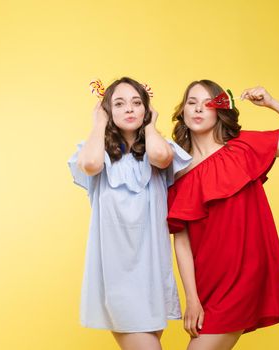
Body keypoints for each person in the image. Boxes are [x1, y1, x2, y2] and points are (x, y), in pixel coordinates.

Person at [168, 80, 279, 350]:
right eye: (191, 102)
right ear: (182, 111)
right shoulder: (174, 168)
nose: (197, 109)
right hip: (206, 280)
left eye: (207, 103)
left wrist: (272, 104)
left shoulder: (245, 147)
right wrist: (192, 298)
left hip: (243, 273)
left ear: (220, 110)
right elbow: (181, 239)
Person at [68, 77, 192, 350]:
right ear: (107, 110)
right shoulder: (96, 151)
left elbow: (161, 156)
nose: (129, 109)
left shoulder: (156, 147)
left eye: (137, 103)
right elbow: (89, 164)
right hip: (116, 275)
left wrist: (151, 124)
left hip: (152, 274)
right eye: (119, 104)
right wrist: (98, 122)